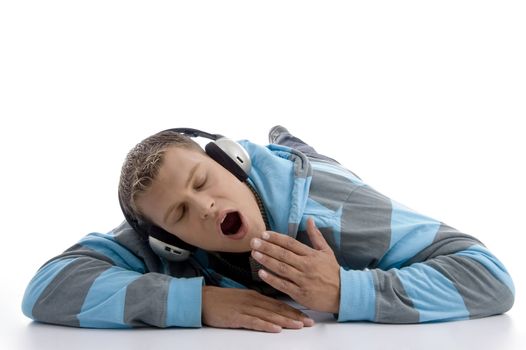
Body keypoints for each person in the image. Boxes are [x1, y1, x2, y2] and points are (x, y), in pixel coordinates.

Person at [21, 125, 515, 332]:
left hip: (308, 173)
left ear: (232, 162)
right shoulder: (165, 245)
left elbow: (489, 277)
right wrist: (200, 303)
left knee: (313, 161)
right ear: (167, 241)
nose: (206, 207)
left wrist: (346, 289)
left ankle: (289, 142)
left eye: (203, 181)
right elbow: (44, 290)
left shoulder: (336, 206)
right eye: (179, 215)